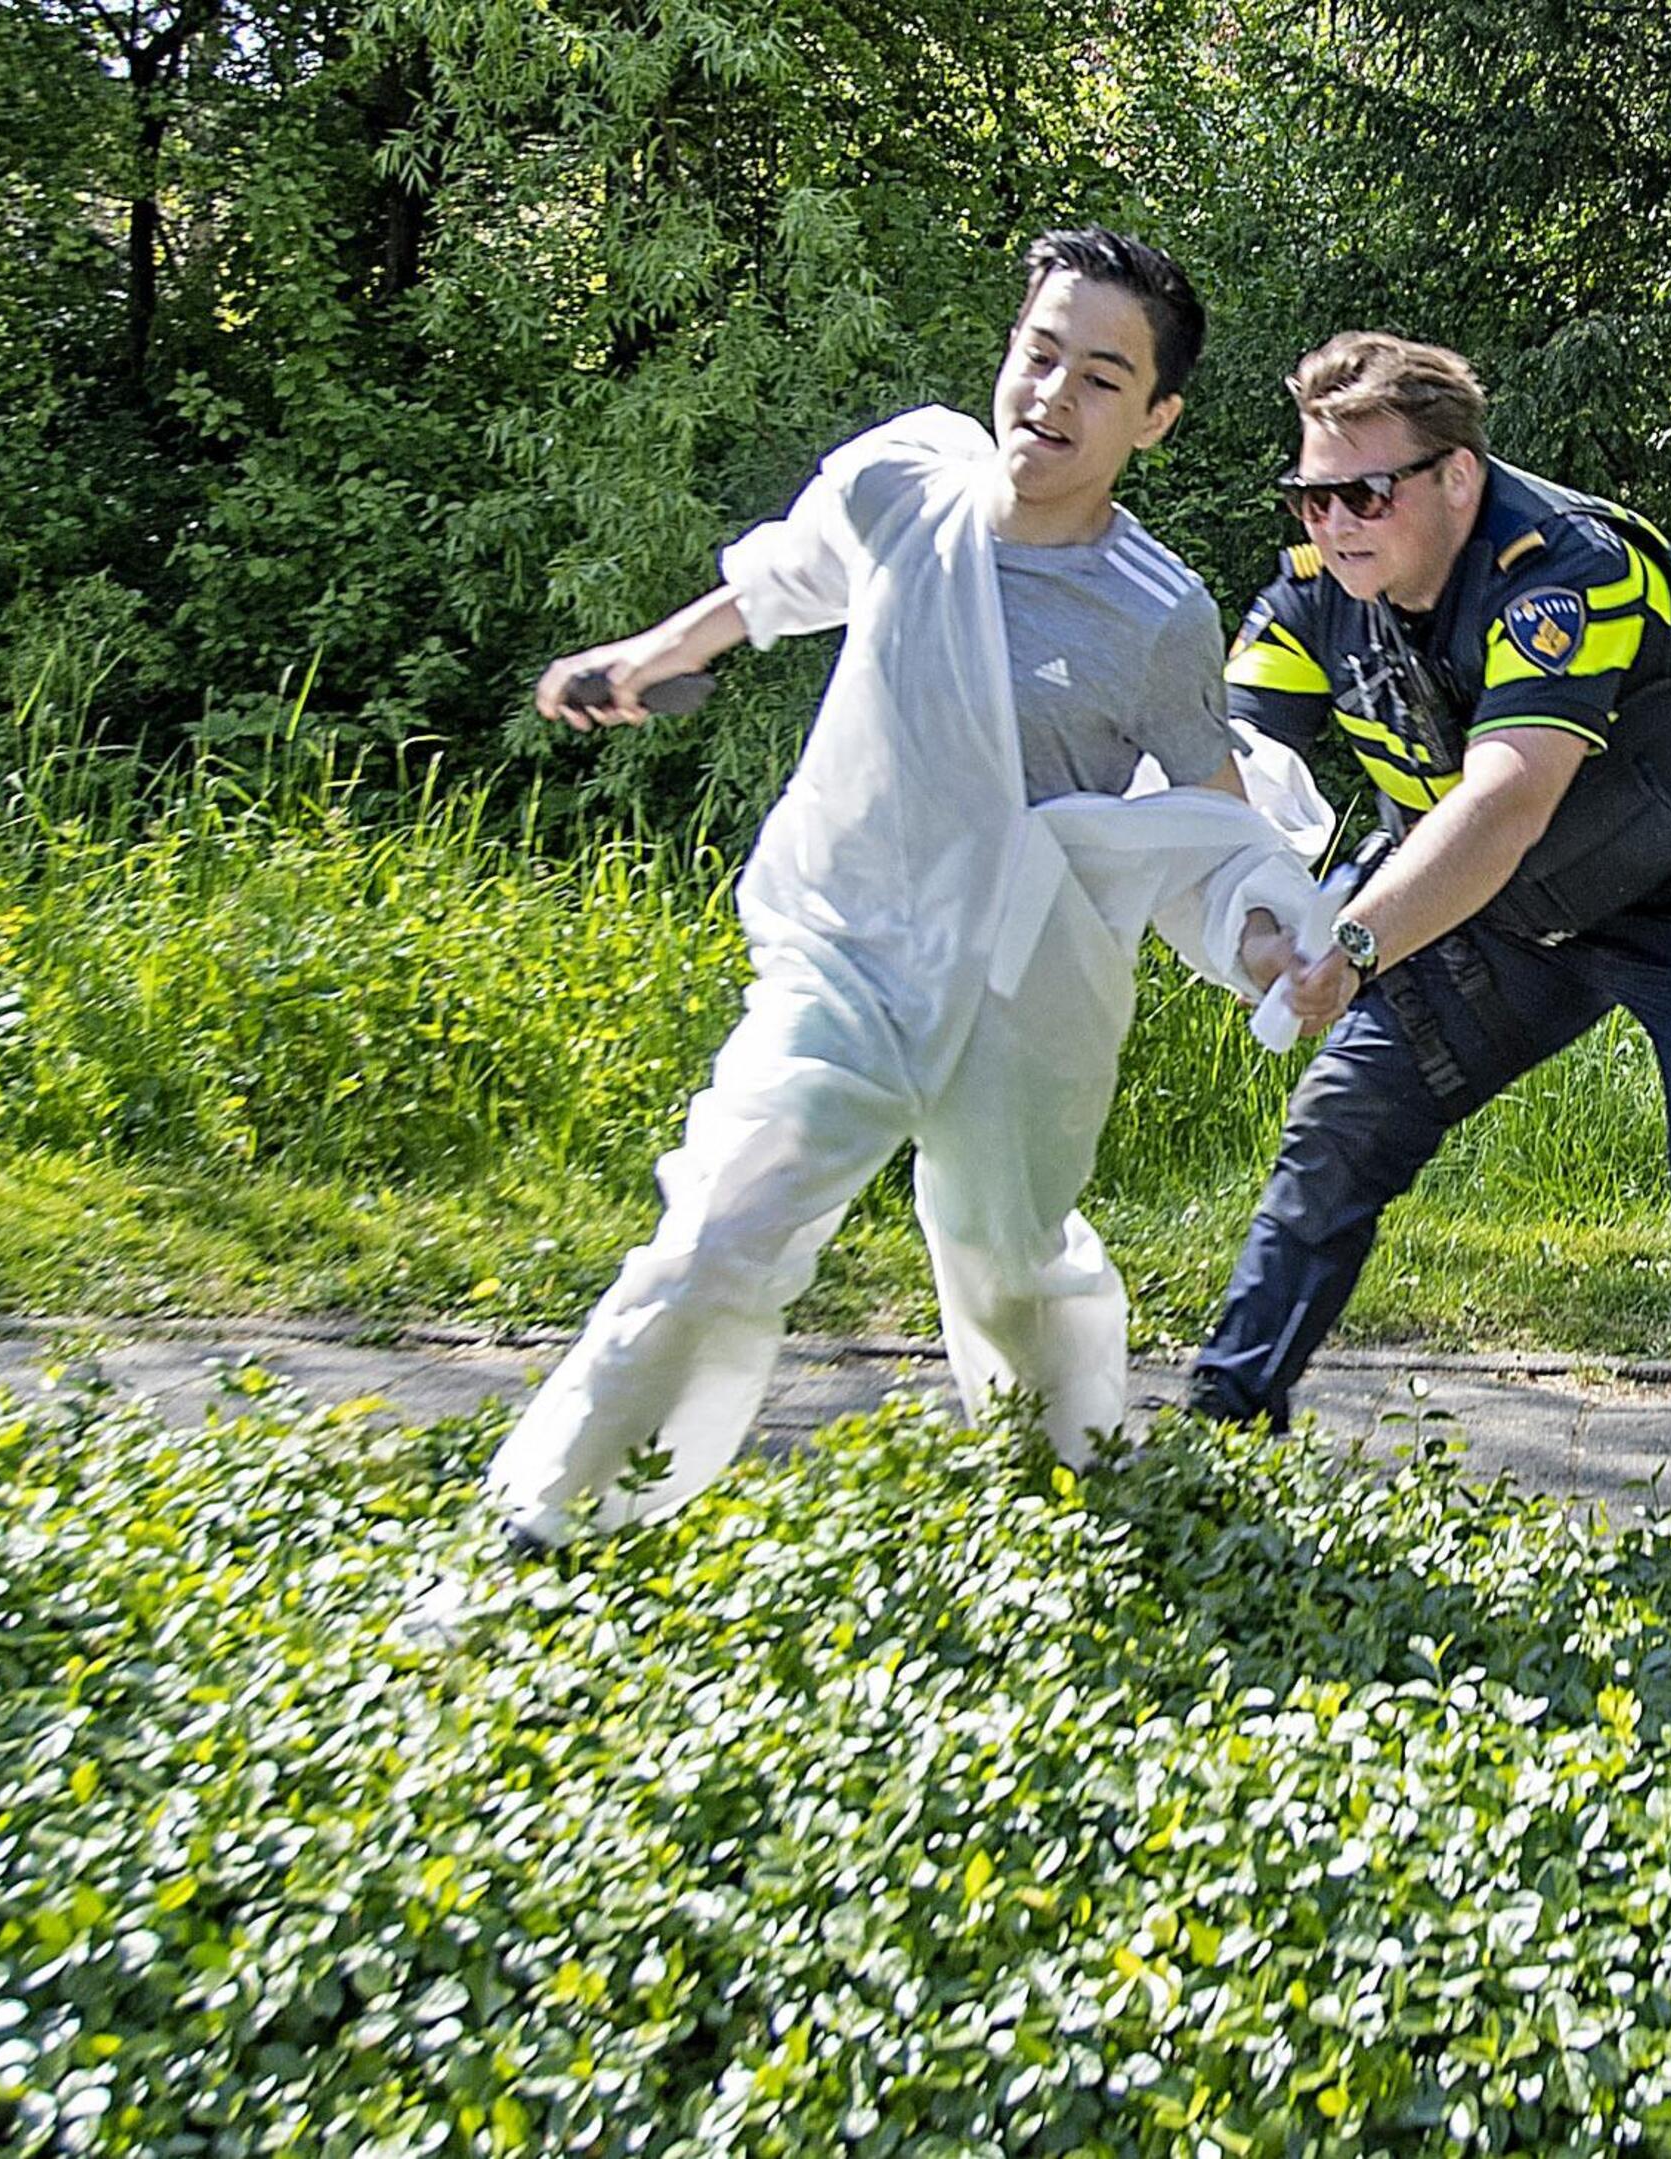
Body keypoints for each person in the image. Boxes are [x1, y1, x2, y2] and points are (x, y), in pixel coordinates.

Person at [473, 229, 1330, 1553]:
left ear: (1156, 417)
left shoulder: (1157, 610)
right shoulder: (901, 487)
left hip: (1023, 986)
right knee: (721, 1221)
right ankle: (557, 1513)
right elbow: (780, 579)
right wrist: (646, 655)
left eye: (1102, 378)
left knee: (1007, 1259)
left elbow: (1210, 824)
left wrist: (1269, 943)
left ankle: (1072, 1490)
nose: (1053, 395)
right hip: (851, 945)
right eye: (1040, 353)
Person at [1188, 332, 1671, 1533]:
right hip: (1500, 917)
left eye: (1364, 493)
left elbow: (1505, 802)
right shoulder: (1310, 597)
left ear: (1457, 475)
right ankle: (1219, 1440)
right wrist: (1259, 921)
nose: (1332, 523)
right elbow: (1226, 778)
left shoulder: (1569, 568)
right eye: (1311, 496)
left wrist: (1360, 941)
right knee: (1340, 1129)